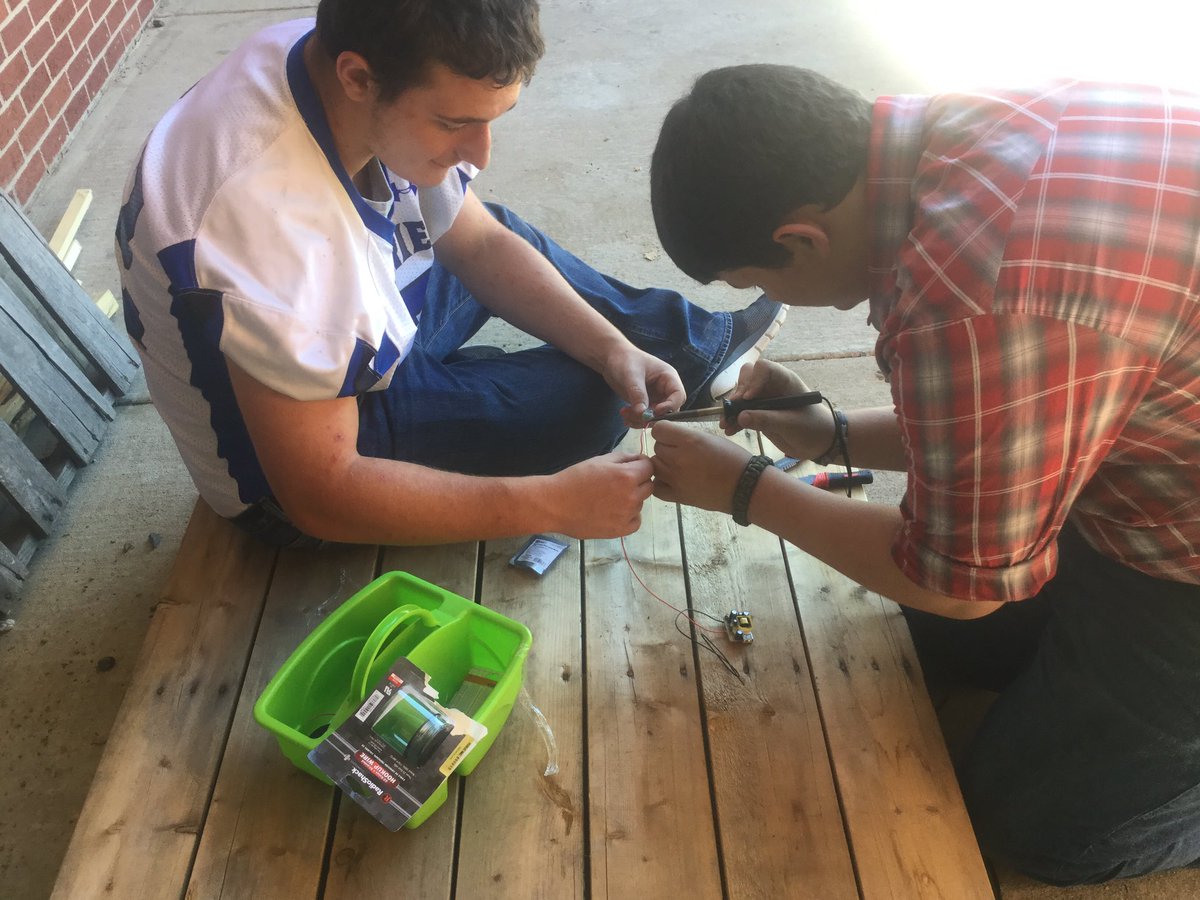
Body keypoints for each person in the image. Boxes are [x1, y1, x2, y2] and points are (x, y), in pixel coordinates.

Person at [647, 65, 1200, 885]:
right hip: (1155, 458)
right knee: (927, 643)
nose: (762, 296)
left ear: (801, 239)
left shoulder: (976, 291)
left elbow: (960, 586)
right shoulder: (956, 134)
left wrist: (745, 489)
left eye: (757, 281)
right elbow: (1014, 416)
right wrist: (831, 435)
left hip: (1179, 560)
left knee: (1042, 822)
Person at [115, 0, 786, 548]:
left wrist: (613, 346)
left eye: (493, 120)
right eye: (454, 123)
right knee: (593, 408)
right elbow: (320, 497)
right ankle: (622, 370)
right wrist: (549, 503)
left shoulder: (324, 56)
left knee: (513, 250)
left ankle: (678, 347)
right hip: (287, 474)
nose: (480, 152)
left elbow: (480, 245)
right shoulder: (278, 235)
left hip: (323, 334)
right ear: (358, 79)